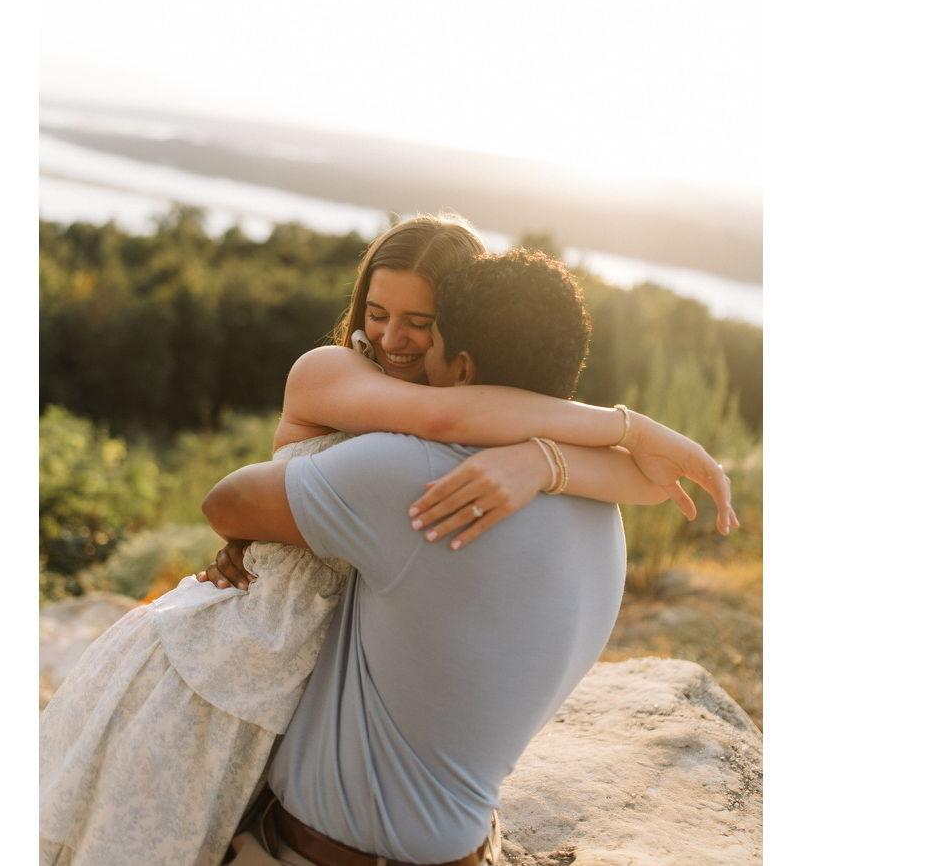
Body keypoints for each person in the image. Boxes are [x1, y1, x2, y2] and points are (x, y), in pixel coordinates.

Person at [39, 215, 735, 866]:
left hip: (309, 700)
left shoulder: (453, 455)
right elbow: (444, 418)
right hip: (234, 667)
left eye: (420, 323)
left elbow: (477, 426)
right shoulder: (336, 374)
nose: (393, 339)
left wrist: (541, 459)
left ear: (458, 341)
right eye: (376, 313)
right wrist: (629, 429)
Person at [203, 249, 691, 866]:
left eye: (427, 334)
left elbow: (227, 502)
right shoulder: (601, 504)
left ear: (461, 366)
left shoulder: (420, 475)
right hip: (464, 847)